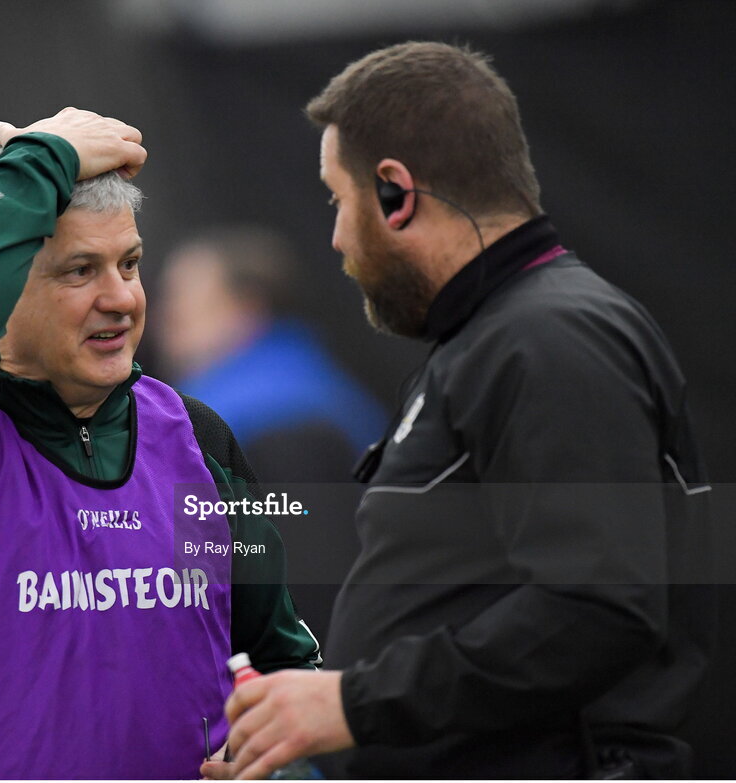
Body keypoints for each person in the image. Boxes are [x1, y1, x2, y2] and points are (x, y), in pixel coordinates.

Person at [212, 42, 714, 780]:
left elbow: (599, 607)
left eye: (337, 199)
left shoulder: (547, 337)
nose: (337, 237)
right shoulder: (498, 335)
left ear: (395, 193)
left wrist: (354, 702)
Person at [0, 108, 319, 780]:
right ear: (2, 288)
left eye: (130, 263)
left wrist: (284, 768)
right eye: (80, 271)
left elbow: (285, 666)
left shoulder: (197, 437)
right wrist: (41, 160)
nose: (121, 298)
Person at [156, 225, 386, 485]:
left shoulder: (278, 419)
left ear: (246, 309)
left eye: (181, 303)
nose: (164, 318)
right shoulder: (314, 387)